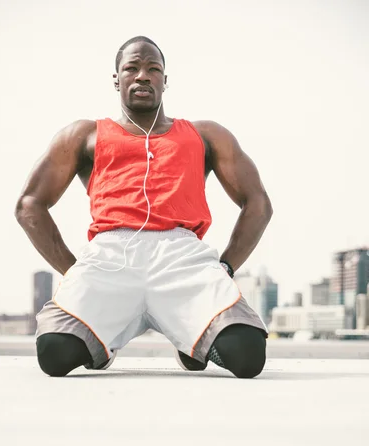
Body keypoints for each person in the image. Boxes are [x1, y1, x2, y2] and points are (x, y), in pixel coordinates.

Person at [15, 35, 273, 378]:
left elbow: (258, 203)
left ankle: (191, 343)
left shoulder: (205, 134)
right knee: (54, 354)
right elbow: (29, 204)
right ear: (116, 78)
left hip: (181, 255)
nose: (142, 76)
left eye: (153, 69)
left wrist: (226, 266)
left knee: (247, 356)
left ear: (165, 81)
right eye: (131, 68)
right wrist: (72, 269)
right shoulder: (84, 134)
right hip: (111, 254)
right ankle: (102, 347)